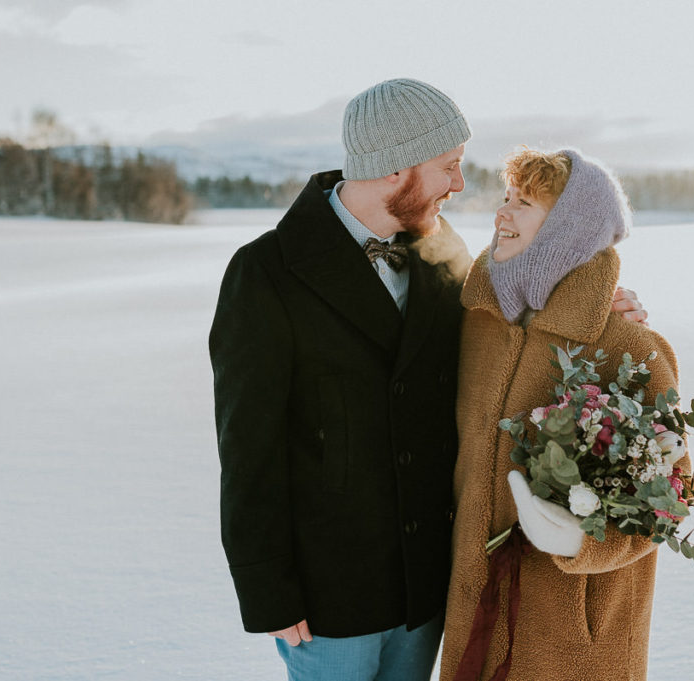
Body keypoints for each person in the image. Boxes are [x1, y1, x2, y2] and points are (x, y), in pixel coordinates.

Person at [210, 79, 648, 681]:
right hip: (325, 596)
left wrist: (602, 307)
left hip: (424, 591)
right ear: (396, 169)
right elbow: (246, 447)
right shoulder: (265, 273)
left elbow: (515, 311)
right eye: (450, 166)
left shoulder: (444, 255)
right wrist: (267, 590)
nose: (460, 184)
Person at [440, 148, 691, 681]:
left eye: (524, 203)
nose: (501, 215)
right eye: (506, 198)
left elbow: (670, 497)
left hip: (576, 640)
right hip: (475, 612)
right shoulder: (474, 326)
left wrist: (582, 540)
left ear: (567, 229)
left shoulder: (628, 345)